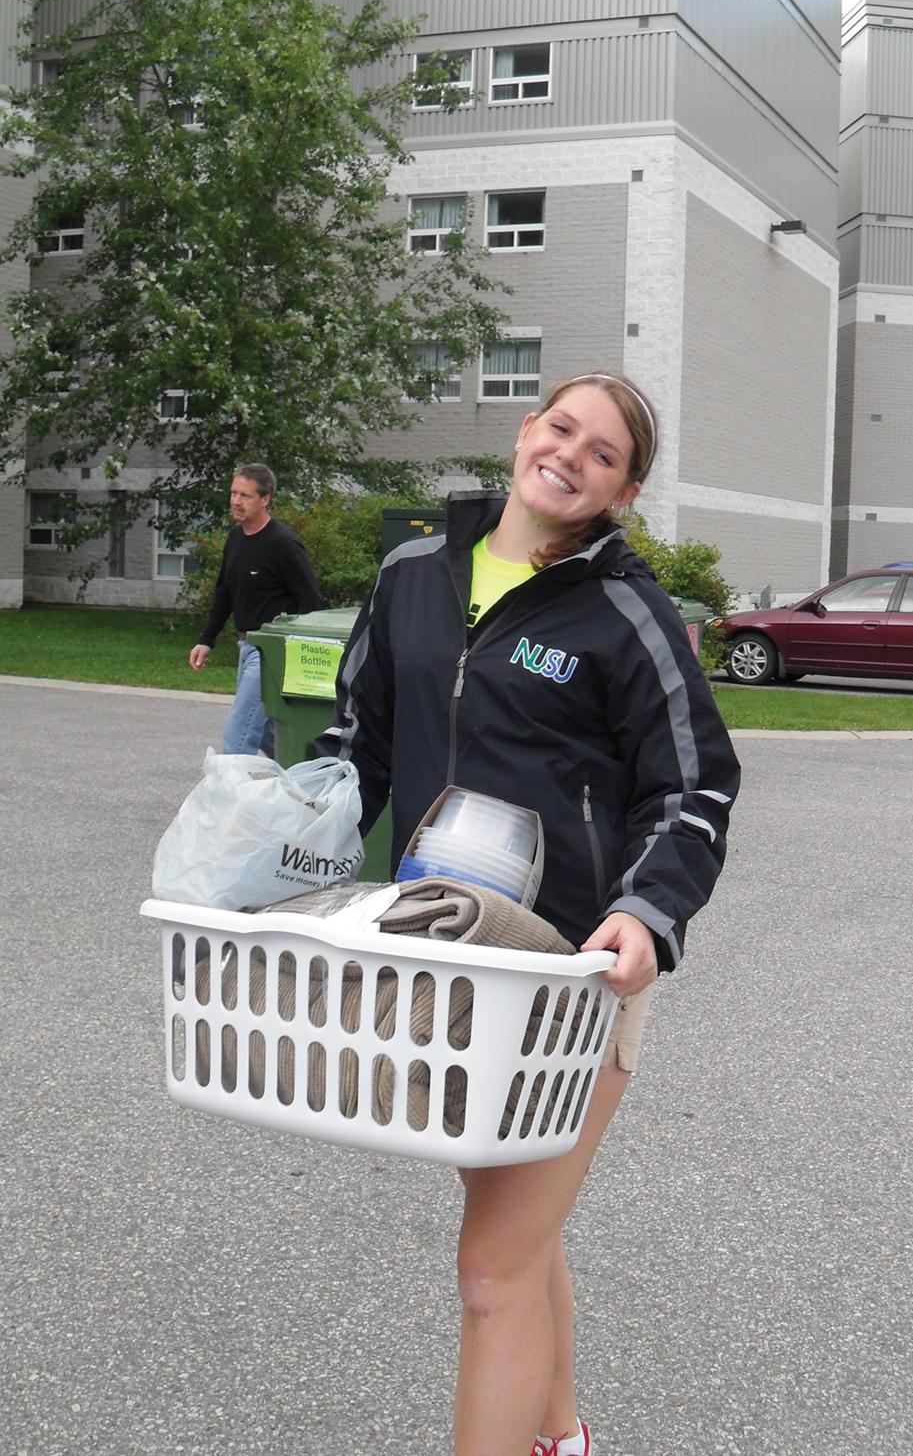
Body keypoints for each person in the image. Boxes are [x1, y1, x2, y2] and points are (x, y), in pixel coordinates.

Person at [315, 373, 741, 1456]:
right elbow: (351, 751)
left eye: (603, 453)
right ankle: (563, 1436)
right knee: (521, 1228)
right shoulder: (413, 575)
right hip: (445, 963)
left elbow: (694, 786)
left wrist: (648, 910)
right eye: (561, 429)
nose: (571, 456)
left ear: (624, 491)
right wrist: (268, 842)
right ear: (524, 432)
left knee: (492, 1266)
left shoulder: (625, 614)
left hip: (570, 981)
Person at [189, 463, 324, 757]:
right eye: (234, 494)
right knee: (268, 736)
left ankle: (233, 802)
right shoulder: (236, 538)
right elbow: (224, 592)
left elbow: (311, 603)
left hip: (269, 653)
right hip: (246, 647)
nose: (236, 502)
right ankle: (310, 786)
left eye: (245, 496)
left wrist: (295, 655)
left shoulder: (282, 544)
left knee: (238, 736)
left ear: (265, 499)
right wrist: (206, 640)